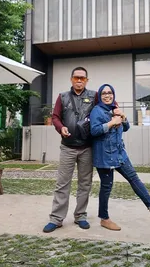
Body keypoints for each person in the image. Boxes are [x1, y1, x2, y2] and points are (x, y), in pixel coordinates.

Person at [90, 83, 150, 231]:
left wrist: (123, 117)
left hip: (119, 154)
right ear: (100, 95)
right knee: (107, 186)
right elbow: (94, 131)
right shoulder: (96, 111)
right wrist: (111, 123)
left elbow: (126, 128)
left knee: (134, 178)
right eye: (104, 93)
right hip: (104, 156)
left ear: (113, 94)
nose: (107, 95)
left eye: (109, 92)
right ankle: (104, 218)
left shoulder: (115, 109)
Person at [43, 67, 97, 233]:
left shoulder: (94, 96)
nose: (79, 81)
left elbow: (108, 104)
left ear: (86, 80)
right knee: (62, 184)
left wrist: (117, 111)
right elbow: (55, 117)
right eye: (76, 78)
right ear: (71, 79)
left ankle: (80, 215)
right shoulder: (62, 97)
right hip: (67, 147)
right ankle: (56, 219)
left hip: (87, 148)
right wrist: (61, 128)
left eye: (82, 78)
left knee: (85, 184)